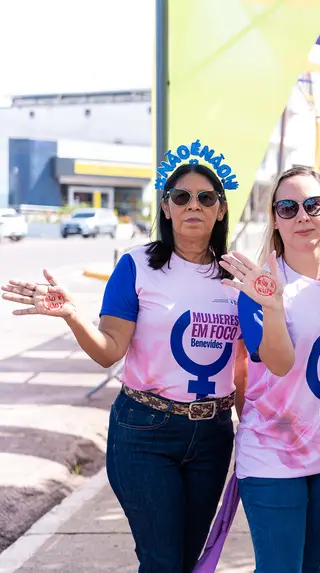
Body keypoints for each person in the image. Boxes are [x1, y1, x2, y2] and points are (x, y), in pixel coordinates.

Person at [2, 160, 245, 573]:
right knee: (162, 560)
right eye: (181, 197)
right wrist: (73, 315)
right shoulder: (137, 265)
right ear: (166, 207)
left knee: (187, 560)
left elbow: (243, 363)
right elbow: (109, 351)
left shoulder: (237, 277)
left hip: (213, 434)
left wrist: (253, 427)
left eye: (206, 198)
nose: (194, 205)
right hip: (146, 432)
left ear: (220, 209)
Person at [221, 166, 320, 573]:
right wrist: (273, 306)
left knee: (312, 565)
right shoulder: (259, 288)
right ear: (275, 219)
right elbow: (280, 364)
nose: (302, 216)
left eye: (312, 204)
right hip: (273, 455)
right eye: (288, 207)